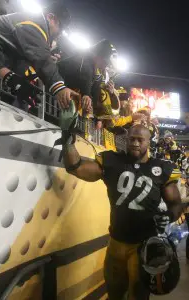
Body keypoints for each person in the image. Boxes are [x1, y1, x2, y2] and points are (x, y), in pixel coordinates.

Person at [62, 123, 182, 300]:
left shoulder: (160, 168)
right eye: (131, 139)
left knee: (138, 293)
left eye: (140, 140)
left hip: (143, 245)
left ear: (148, 142)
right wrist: (67, 142)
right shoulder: (113, 161)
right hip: (116, 241)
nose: (135, 143)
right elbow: (76, 168)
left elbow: (176, 204)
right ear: (126, 140)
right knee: (114, 291)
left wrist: (169, 216)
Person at [0, 2, 84, 110]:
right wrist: (58, 86)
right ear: (50, 17)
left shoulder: (37, 26)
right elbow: (41, 57)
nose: (60, 33)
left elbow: (37, 55)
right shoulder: (35, 21)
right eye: (60, 27)